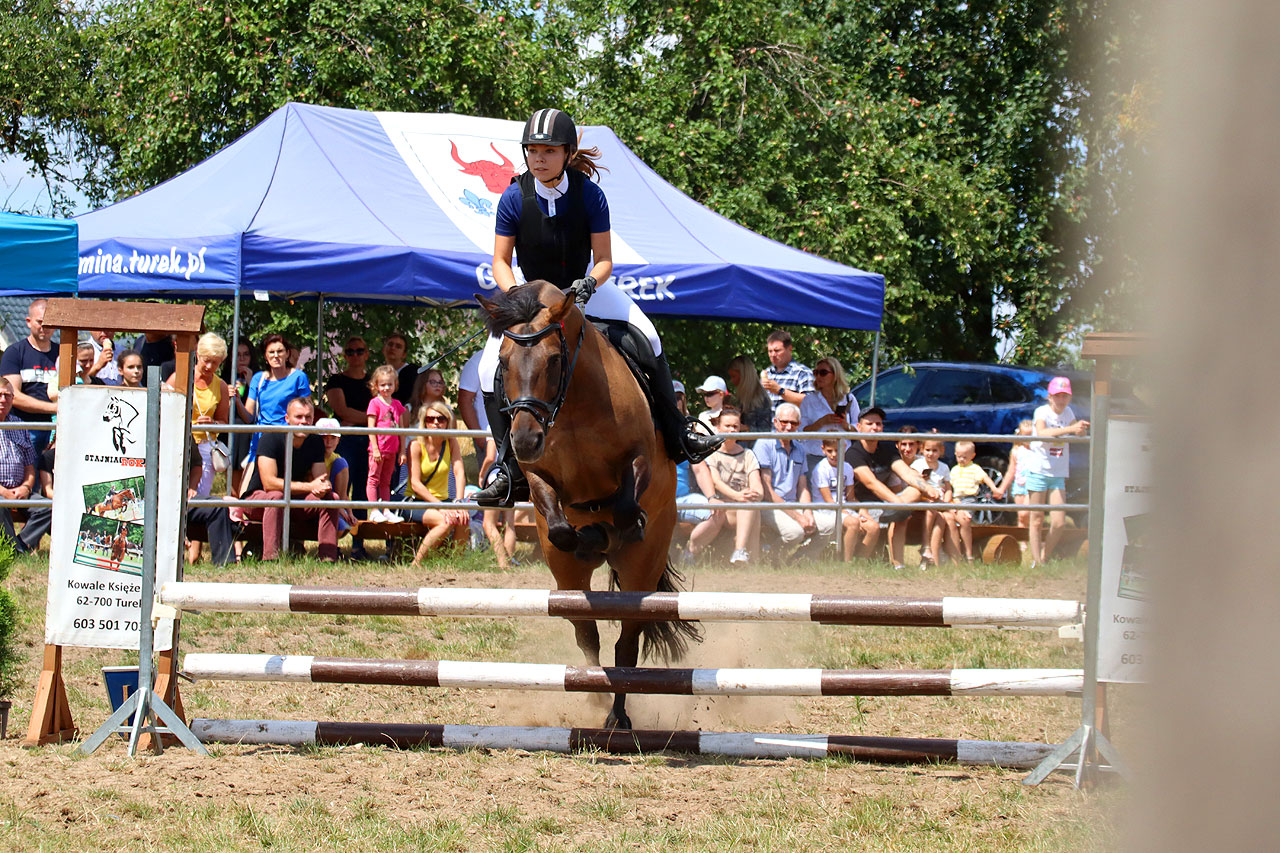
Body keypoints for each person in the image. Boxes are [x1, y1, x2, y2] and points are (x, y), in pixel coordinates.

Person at [474, 107, 721, 506]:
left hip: (582, 286)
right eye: (532, 151)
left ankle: (678, 432)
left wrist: (589, 282)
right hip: (530, 296)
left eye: (548, 151)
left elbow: (604, 259)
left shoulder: (589, 195)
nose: (539, 158)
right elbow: (500, 262)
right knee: (489, 368)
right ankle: (509, 467)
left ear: (568, 153)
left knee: (649, 335)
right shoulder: (513, 198)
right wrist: (516, 295)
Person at [241, 397, 340, 562]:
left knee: (332, 499)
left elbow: (321, 479)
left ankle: (328, 558)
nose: (304, 422)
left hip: (294, 500)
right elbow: (269, 483)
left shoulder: (315, 441)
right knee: (276, 497)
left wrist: (324, 487)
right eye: (298, 417)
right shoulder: (270, 438)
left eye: (308, 417)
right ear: (287, 419)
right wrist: (310, 487)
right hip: (259, 499)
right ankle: (271, 559)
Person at [756, 402, 857, 559]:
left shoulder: (800, 449)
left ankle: (800, 559)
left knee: (832, 524)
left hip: (794, 504)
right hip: (769, 505)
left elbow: (802, 487)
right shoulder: (764, 445)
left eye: (793, 423)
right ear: (775, 422)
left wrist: (808, 512)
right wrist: (798, 517)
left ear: (799, 425)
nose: (789, 427)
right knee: (795, 532)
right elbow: (767, 491)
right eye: (784, 422)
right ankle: (770, 559)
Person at [846, 406, 940, 568]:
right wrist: (898, 503)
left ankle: (898, 565)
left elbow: (906, 473)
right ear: (859, 427)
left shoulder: (887, 449)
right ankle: (859, 563)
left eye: (878, 424)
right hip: (862, 505)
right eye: (869, 424)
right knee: (901, 514)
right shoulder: (853, 453)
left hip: (887, 504)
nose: (875, 428)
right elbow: (871, 483)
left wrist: (928, 488)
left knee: (915, 492)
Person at [458, 349, 515, 570]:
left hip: (495, 475)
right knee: (509, 523)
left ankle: (503, 563)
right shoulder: (513, 425)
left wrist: (482, 474)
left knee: (489, 522)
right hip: (512, 471)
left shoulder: (495, 425)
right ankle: (509, 558)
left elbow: (490, 456)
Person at [1026, 377, 1089, 566]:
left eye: (1065, 396)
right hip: (1039, 470)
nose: (1061, 400)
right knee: (1036, 520)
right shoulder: (1041, 412)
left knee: (1059, 521)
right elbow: (1041, 432)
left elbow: (1076, 431)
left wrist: (1081, 430)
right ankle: (1036, 562)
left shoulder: (1068, 412)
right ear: (1050, 396)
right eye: (1058, 396)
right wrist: (1070, 429)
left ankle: (1045, 556)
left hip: (1058, 473)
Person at [405, 401, 470, 565]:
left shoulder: (451, 442)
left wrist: (459, 502)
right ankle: (417, 563)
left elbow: (459, 472)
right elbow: (415, 483)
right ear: (424, 422)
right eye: (430, 419)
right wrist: (442, 507)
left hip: (444, 500)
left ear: (447, 422)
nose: (435, 423)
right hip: (416, 502)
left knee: (463, 518)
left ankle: (455, 563)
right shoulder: (415, 445)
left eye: (440, 419)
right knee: (445, 521)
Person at [167, 332, 230, 499]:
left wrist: (212, 423)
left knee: (199, 498)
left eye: (215, 363)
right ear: (198, 355)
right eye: (206, 360)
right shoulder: (179, 378)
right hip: (179, 443)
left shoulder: (221, 386)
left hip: (204, 447)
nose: (209, 366)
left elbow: (224, 421)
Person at [324, 336, 372, 549]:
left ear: (366, 354)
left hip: (369, 442)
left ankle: (358, 545)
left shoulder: (373, 381)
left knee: (363, 493)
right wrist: (371, 419)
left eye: (359, 351)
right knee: (341, 491)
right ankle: (330, 542)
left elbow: (378, 412)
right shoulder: (336, 381)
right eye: (350, 352)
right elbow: (341, 411)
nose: (355, 355)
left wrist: (356, 418)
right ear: (345, 355)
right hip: (346, 442)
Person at [702, 407, 762, 565]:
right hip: (722, 508)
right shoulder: (712, 453)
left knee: (751, 504)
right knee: (749, 506)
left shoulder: (748, 454)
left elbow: (757, 484)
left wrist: (754, 493)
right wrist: (738, 496)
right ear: (718, 428)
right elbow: (715, 481)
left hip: (743, 506)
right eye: (727, 426)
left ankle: (741, 552)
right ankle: (748, 555)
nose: (731, 430)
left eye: (735, 426)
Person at [0, 297, 57, 453]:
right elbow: (15, 396)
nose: (44, 327)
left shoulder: (63, 354)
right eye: (40, 322)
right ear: (28, 322)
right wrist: (54, 408)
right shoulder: (15, 352)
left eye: (49, 323)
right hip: (26, 428)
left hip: (58, 429)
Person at [245, 334, 311, 462]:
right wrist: (235, 399)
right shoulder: (258, 378)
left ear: (287, 354)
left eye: (280, 351)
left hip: (286, 440)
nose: (276, 355)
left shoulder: (298, 377)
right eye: (271, 352)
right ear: (265, 356)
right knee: (247, 482)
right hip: (261, 440)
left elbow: (306, 411)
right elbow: (248, 416)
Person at [798, 356, 859, 473]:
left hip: (844, 457)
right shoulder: (808, 401)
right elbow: (800, 434)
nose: (818, 376)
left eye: (823, 373)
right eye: (816, 372)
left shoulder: (849, 399)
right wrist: (821, 422)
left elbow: (859, 430)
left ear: (835, 375)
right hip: (816, 456)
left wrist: (846, 426)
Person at [365, 364, 408, 523]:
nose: (386, 388)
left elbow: (402, 430)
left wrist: (402, 451)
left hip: (392, 450)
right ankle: (374, 509)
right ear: (376, 385)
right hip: (378, 450)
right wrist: (375, 449)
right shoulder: (374, 403)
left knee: (386, 481)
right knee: (373, 479)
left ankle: (386, 509)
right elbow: (371, 428)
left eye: (389, 384)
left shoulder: (397, 405)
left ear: (395, 385)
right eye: (382, 384)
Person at [950, 440, 1004, 562]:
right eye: (959, 456)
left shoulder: (975, 468)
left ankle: (968, 554)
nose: (961, 459)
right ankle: (956, 551)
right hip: (956, 499)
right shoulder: (954, 470)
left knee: (965, 521)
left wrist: (994, 488)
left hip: (969, 499)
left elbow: (985, 478)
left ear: (972, 456)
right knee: (954, 521)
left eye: (965, 457)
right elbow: (949, 485)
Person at [912, 435, 962, 567]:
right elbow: (914, 485)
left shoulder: (944, 467)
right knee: (934, 512)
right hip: (925, 500)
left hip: (941, 501)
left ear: (941, 451)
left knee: (950, 519)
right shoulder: (918, 465)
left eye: (935, 451)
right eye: (928, 450)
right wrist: (922, 480)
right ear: (922, 449)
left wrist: (946, 500)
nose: (931, 454)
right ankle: (927, 547)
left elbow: (948, 488)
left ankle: (957, 560)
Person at [810, 436, 860, 561]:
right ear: (823, 449)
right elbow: (829, 501)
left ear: (844, 448)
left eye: (837, 451)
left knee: (871, 526)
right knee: (853, 523)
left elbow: (851, 497)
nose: (834, 455)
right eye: (830, 451)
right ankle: (847, 562)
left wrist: (862, 510)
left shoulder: (847, 467)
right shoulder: (821, 469)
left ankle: (862, 559)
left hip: (843, 508)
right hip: (826, 509)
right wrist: (848, 514)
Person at [0, 378, 36, 547]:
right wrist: (4, 492)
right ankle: (12, 549)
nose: (3, 400)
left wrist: (26, 487)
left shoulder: (20, 424)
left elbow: (29, 467)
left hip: (20, 489)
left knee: (46, 509)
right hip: (0, 490)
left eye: (7, 395)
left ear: (13, 399)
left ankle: (18, 547)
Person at [315, 417, 358, 541]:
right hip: (317, 502)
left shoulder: (337, 459)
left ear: (338, 440)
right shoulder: (312, 457)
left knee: (341, 463)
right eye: (324, 438)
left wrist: (349, 513)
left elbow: (343, 494)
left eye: (332, 438)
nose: (328, 442)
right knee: (339, 525)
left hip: (334, 502)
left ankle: (333, 546)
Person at [759, 329, 813, 407]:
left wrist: (780, 391)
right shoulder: (767, 374)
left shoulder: (802, 373)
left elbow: (810, 402)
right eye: (770, 351)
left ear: (790, 349)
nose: (773, 355)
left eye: (777, 350)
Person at [727, 355, 772, 436]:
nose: (732, 380)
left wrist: (745, 428)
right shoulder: (737, 399)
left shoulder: (761, 400)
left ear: (744, 376)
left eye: (734, 376)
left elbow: (766, 430)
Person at [1006, 420, 1035, 528]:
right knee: (1021, 517)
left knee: (1026, 513)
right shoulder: (1016, 451)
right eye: (1025, 435)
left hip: (1032, 486)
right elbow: (1011, 471)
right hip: (1019, 486)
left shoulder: (1037, 450)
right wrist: (1002, 489)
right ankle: (1022, 541)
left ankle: (1038, 537)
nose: (1028, 439)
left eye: (1031, 435)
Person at [381, 333, 419, 408]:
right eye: (390, 344)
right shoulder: (379, 374)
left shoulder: (413, 373)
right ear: (383, 349)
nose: (393, 348)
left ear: (404, 354)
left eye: (398, 347)